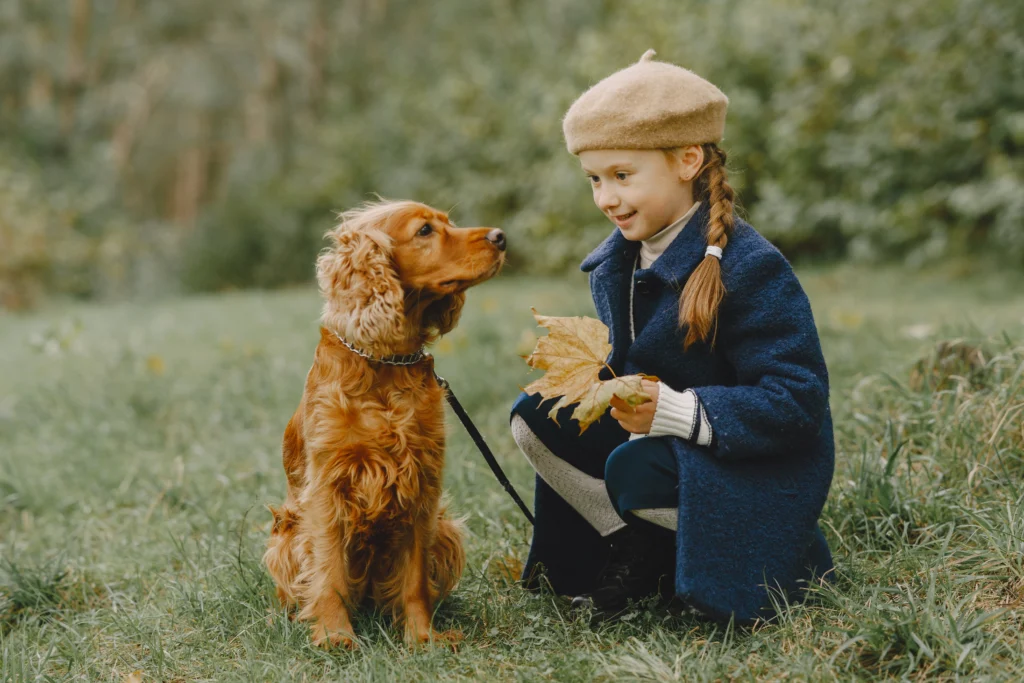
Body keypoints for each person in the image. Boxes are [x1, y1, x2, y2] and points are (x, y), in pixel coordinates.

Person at [509, 50, 835, 624]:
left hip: (748, 461)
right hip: (659, 440)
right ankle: (642, 550)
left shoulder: (750, 267)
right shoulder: (616, 263)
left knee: (632, 470)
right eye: (594, 180)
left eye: (622, 176)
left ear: (688, 160)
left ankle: (776, 558)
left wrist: (679, 412)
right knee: (538, 415)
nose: (606, 198)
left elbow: (798, 401)